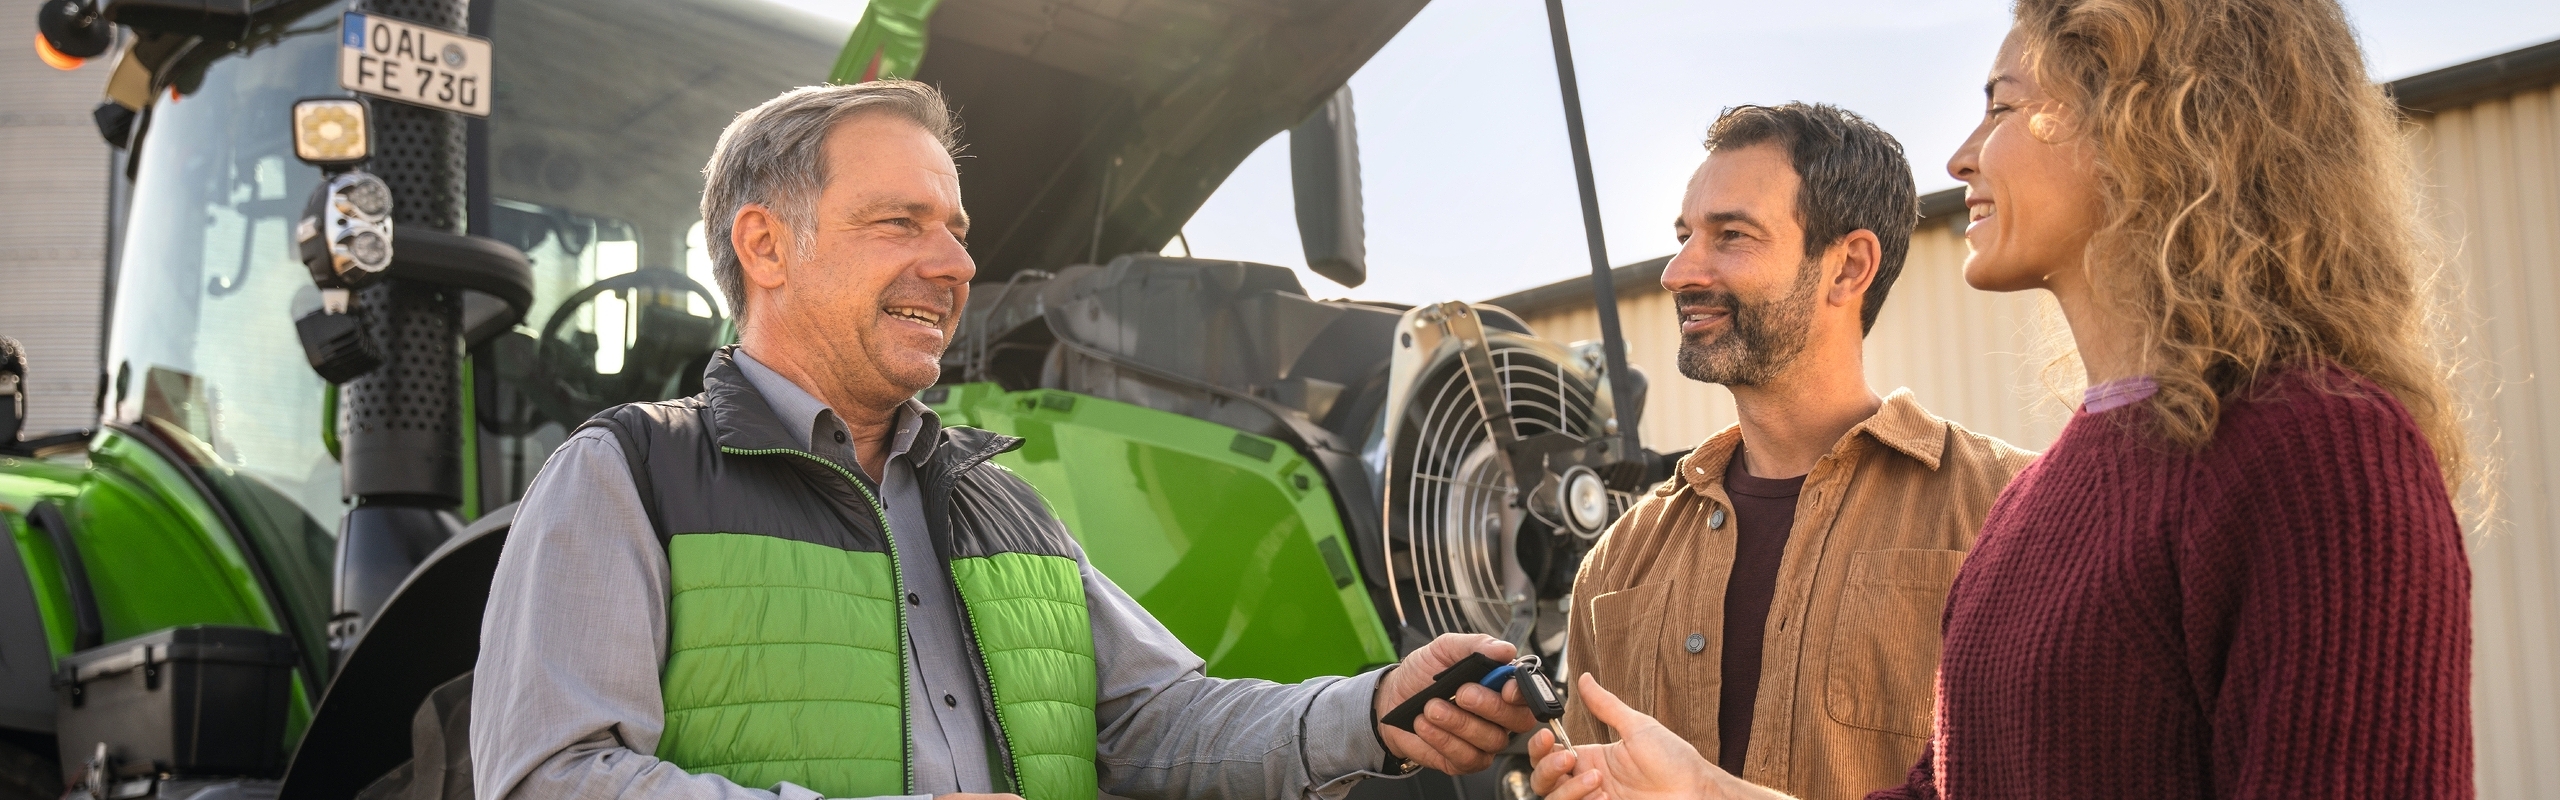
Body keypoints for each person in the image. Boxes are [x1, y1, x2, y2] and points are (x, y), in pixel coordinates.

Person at [470, 80, 1536, 800]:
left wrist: (1370, 707)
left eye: (958, 229)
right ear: (764, 244)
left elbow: (1153, 715)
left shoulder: (1002, 500)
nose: (955, 264)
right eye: (901, 222)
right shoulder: (626, 477)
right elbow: (550, 774)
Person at [1530, 0, 2475, 797]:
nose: (1960, 157)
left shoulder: (2321, 455)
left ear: (2152, 123)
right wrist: (1704, 791)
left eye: (2001, 107)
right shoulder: (2046, 499)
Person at [1558, 103, 2033, 799]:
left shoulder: (2009, 513)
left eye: (1732, 236)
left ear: (1848, 268)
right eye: (1685, 235)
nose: (1678, 272)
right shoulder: (1619, 560)